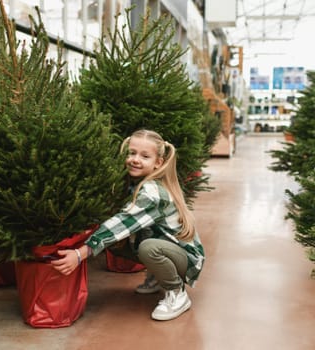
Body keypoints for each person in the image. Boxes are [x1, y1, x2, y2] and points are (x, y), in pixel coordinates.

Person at [51, 129, 205, 321]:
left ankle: (176, 293)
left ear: (158, 163)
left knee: (147, 247)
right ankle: (158, 277)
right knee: (119, 244)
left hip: (187, 258)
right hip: (168, 247)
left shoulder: (151, 193)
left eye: (144, 156)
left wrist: (80, 254)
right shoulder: (134, 183)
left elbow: (121, 224)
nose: (135, 159)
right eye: (131, 153)